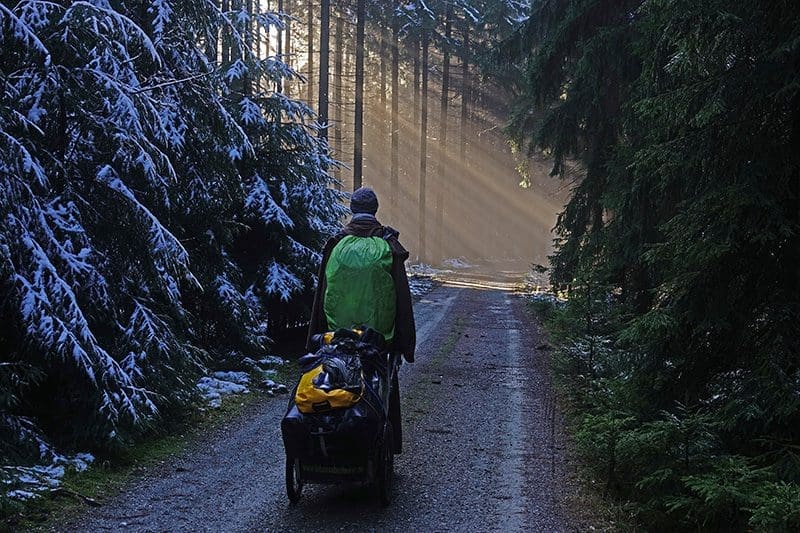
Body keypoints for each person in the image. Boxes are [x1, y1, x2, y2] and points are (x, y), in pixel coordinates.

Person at [307, 186, 415, 453]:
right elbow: (401, 299)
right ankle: (381, 449)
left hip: (337, 335)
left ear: (353, 210)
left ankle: (333, 446)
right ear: (374, 210)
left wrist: (314, 337)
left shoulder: (335, 244)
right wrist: (405, 343)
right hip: (379, 338)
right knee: (382, 389)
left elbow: (322, 295)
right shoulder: (388, 244)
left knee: (336, 381)